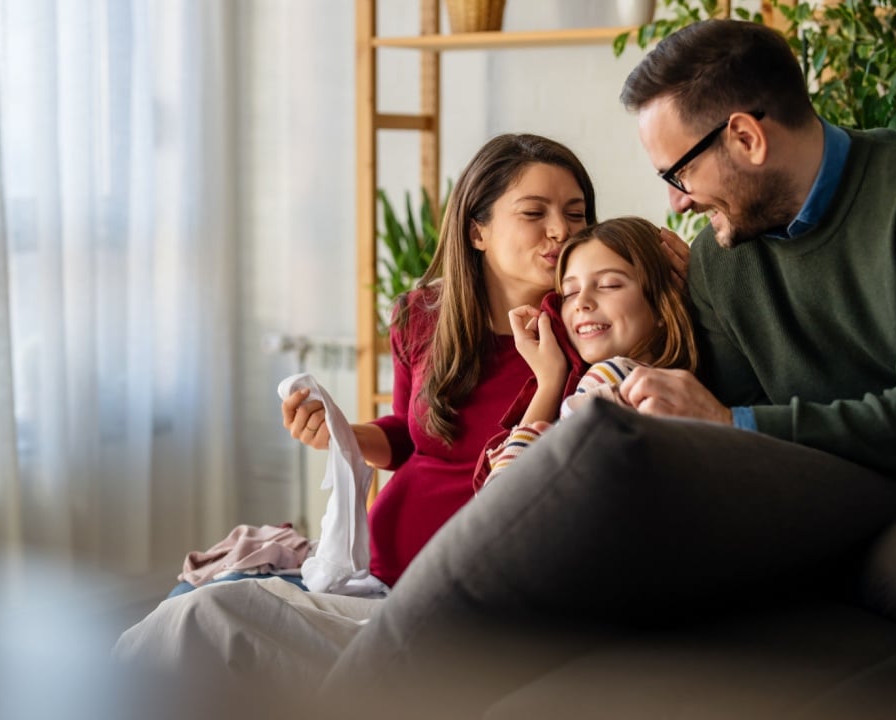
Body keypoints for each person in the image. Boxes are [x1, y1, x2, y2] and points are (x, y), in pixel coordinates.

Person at [324, 20, 896, 720]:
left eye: (678, 173)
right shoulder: (722, 260)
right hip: (829, 505)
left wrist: (729, 421)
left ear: (746, 137)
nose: (675, 200)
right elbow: (707, 412)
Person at [114, 132, 598, 686]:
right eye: (535, 213)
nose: (561, 230)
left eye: (576, 214)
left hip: (456, 598)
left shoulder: (586, 336)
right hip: (375, 571)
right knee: (187, 610)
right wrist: (340, 432)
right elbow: (412, 438)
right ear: (476, 231)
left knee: (199, 619)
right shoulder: (422, 316)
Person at [481, 217, 697, 487]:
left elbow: (502, 496)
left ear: (663, 304)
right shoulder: (679, 392)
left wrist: (548, 384)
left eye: (609, 285)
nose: (581, 302)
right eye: (569, 293)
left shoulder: (611, 377)